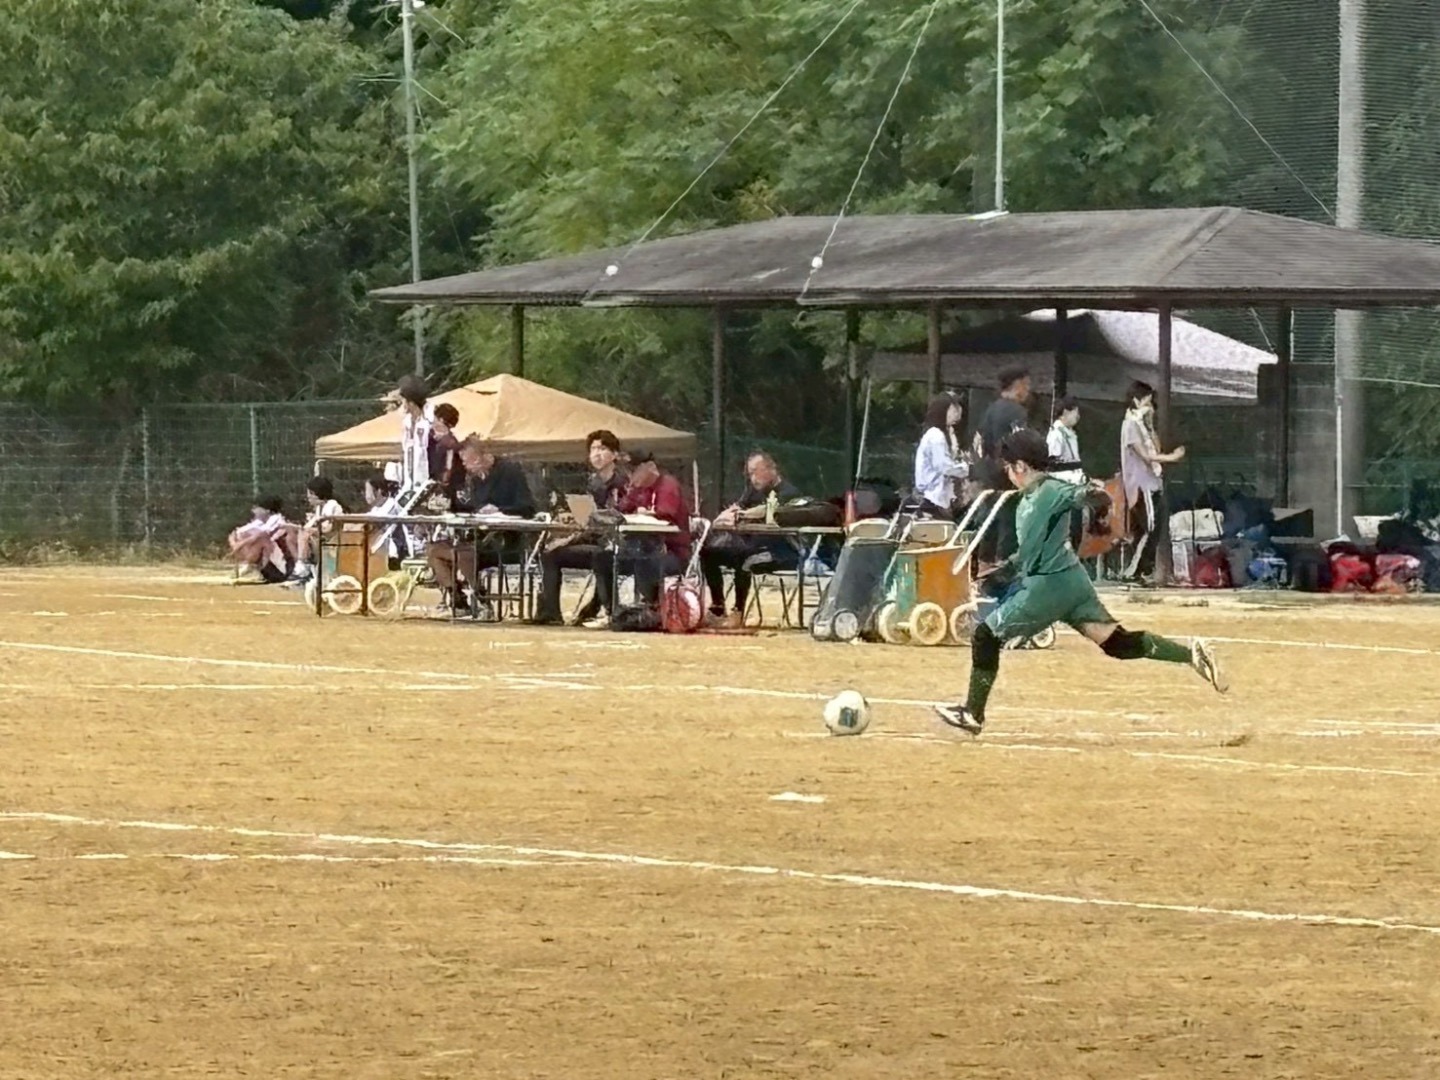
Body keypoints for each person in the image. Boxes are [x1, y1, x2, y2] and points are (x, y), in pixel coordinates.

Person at [932, 428, 1226, 736]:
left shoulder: (1049, 490)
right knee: (1117, 644)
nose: (1007, 473)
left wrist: (1096, 501)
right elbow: (1033, 547)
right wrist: (1007, 569)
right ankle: (1191, 655)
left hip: (1048, 588)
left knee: (985, 636)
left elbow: (1086, 495)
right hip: (1072, 581)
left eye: (1009, 466)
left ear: (1020, 466)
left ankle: (973, 713)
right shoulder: (1030, 497)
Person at [428, 437, 537, 614]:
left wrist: (500, 510)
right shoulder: (476, 479)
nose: (464, 466)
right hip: (478, 538)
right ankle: (457, 600)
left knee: (464, 554)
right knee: (434, 551)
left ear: (480, 458)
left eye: (467, 461)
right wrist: (449, 507)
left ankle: (483, 600)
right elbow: (474, 508)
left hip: (505, 541)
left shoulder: (510, 472)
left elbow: (528, 508)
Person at [532, 430, 628, 626]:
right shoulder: (590, 482)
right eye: (593, 449)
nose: (597, 454)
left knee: (601, 556)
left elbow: (622, 515)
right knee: (550, 554)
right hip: (592, 538)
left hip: (616, 542)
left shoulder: (624, 483)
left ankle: (604, 610)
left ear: (615, 454)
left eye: (602, 449)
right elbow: (585, 518)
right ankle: (550, 612)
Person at [702, 450, 803, 627]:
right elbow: (736, 508)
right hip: (750, 546)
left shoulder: (788, 493)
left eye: (756, 472)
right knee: (709, 553)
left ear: (771, 469)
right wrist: (724, 517)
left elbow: (769, 511)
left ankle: (738, 611)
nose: (753, 478)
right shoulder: (753, 490)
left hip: (780, 551)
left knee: (746, 560)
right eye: (750, 473)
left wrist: (745, 514)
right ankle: (718, 607)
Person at [590, 449, 689, 627]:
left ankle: (653, 610)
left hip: (671, 552)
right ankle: (613, 613)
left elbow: (667, 514)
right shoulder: (639, 489)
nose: (630, 474)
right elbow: (622, 509)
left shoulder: (667, 485)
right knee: (603, 559)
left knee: (645, 562)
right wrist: (630, 493)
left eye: (633, 469)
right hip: (641, 549)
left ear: (649, 467)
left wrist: (647, 513)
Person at [1120, 381, 1186, 583]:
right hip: (1142, 484)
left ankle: (1140, 571)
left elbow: (1155, 449)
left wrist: (1150, 425)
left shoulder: (1143, 426)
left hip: (1153, 481)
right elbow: (1146, 456)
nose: (1150, 408)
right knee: (1150, 527)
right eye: (1147, 403)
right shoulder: (1130, 425)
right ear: (1136, 401)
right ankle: (1132, 571)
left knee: (1154, 528)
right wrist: (1172, 458)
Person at [975, 366, 1032, 562]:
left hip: (989, 473)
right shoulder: (1017, 412)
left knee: (989, 520)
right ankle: (1005, 564)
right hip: (1010, 474)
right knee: (1010, 520)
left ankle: (983, 562)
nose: (1028, 390)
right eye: (1026, 385)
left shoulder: (990, 410)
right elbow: (1019, 443)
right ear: (1018, 385)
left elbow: (980, 443)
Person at [913, 393, 969, 518]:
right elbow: (944, 466)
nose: (957, 413)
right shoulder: (936, 435)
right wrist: (968, 469)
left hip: (941, 497)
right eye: (953, 409)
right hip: (933, 497)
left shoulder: (947, 433)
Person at [1046, 396, 1086, 551]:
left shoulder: (1070, 433)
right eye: (1075, 412)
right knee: (1068, 528)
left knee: (1077, 527)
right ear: (1064, 413)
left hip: (1075, 485)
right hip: (1064, 487)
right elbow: (1053, 464)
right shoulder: (1056, 434)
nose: (1078, 416)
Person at [227, 496, 293, 584]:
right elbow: (236, 532)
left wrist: (240, 544)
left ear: (267, 510)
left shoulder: (277, 519)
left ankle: (251, 565)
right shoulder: (259, 522)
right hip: (268, 564)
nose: (254, 511)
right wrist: (234, 543)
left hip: (280, 568)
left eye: (257, 508)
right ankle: (254, 566)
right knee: (243, 536)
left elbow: (262, 535)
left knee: (261, 539)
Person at [291, 476, 345, 583]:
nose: (308, 498)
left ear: (316, 494)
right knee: (302, 533)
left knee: (306, 534)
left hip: (333, 539)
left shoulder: (332, 505)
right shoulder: (319, 508)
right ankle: (304, 564)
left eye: (310, 494)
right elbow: (308, 527)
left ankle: (303, 566)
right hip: (322, 538)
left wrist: (312, 530)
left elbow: (329, 529)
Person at [396, 374, 433, 499]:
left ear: (410, 402)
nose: (401, 404)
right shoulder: (406, 422)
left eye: (403, 400)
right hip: (409, 488)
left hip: (427, 488)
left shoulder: (430, 422)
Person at [428, 402, 464, 505]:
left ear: (441, 420)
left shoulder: (449, 443)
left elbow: (448, 470)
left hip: (441, 491)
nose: (432, 421)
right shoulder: (430, 438)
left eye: (435, 418)